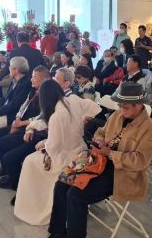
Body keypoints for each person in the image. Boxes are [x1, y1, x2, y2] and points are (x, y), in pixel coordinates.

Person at [37, 82, 152, 238]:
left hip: (122, 174)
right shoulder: (118, 115)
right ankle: (59, 233)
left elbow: (141, 161)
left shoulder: (148, 128)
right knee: (62, 184)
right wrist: (100, 138)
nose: (121, 110)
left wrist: (111, 154)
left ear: (138, 105)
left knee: (76, 195)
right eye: (120, 106)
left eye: (125, 107)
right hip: (98, 162)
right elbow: (102, 130)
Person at [14, 79, 102, 226]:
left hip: (66, 159)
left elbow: (53, 147)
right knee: (31, 160)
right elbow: (95, 107)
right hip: (81, 150)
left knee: (29, 162)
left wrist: (42, 143)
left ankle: (35, 205)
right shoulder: (73, 99)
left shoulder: (57, 116)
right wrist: (84, 118)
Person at [0, 65, 51, 174]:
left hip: (29, 126)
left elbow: (41, 117)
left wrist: (19, 123)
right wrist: (16, 120)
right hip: (20, 120)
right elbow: (22, 106)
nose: (32, 79)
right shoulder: (30, 89)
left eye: (34, 77)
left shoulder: (37, 90)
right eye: (32, 76)